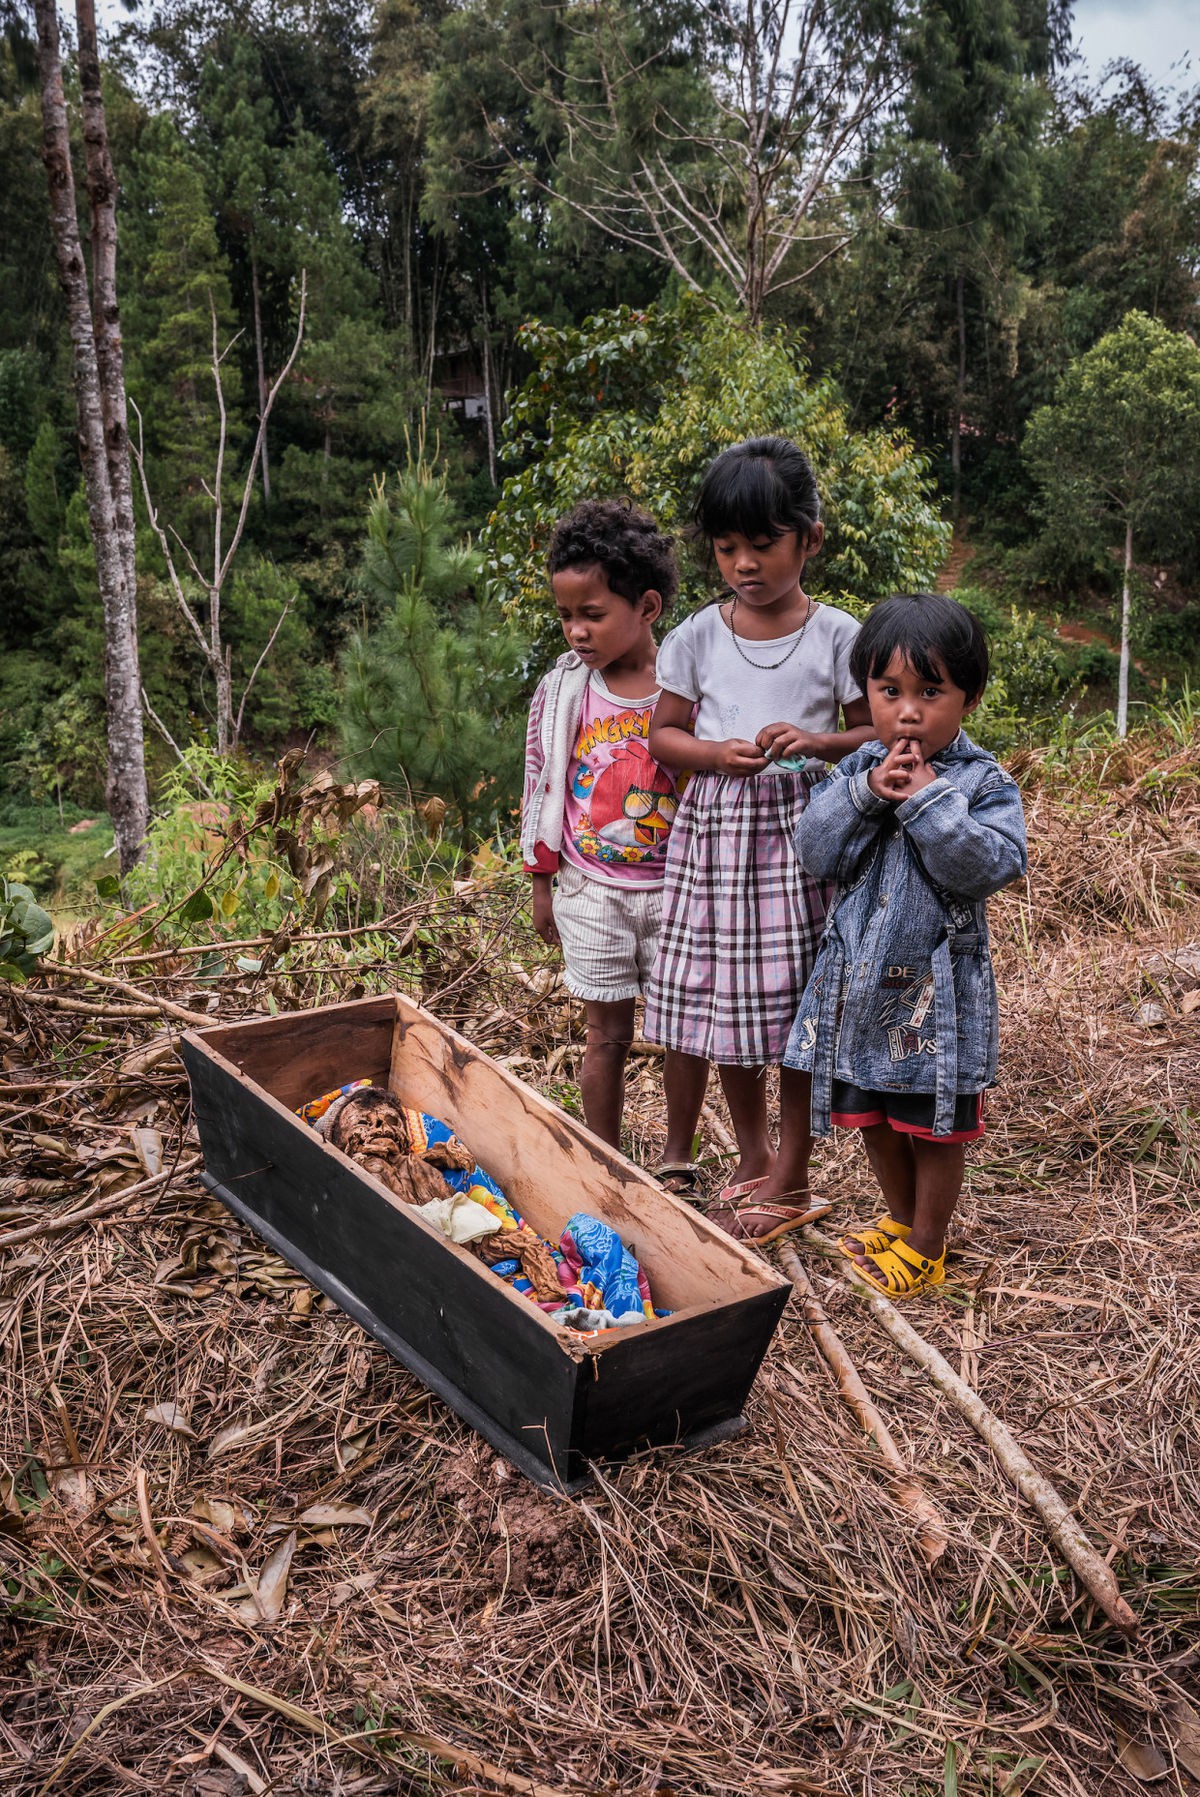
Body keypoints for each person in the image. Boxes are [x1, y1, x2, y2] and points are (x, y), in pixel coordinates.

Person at [644, 437, 873, 1241]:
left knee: (798, 1007)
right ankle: (751, 1153)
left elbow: (871, 733)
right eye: (727, 546)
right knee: (730, 1007)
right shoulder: (697, 637)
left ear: (810, 538)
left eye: (763, 543)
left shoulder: (839, 636)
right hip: (720, 845)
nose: (744, 563)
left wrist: (814, 745)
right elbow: (663, 736)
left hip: (806, 844)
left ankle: (791, 1169)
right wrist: (714, 755)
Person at [785, 591, 1028, 1298]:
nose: (909, 711)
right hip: (859, 988)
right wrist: (866, 793)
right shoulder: (859, 766)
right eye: (890, 691)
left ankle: (927, 1245)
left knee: (931, 1123)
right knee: (872, 1113)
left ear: (969, 697)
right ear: (866, 692)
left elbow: (989, 865)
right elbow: (816, 851)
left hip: (933, 1000)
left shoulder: (982, 783)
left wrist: (925, 800)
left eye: (932, 691)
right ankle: (898, 1222)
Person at [521, 498, 708, 1191]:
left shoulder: (687, 687)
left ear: (648, 606)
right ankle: (602, 1156)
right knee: (606, 1032)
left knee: (684, 1031)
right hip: (592, 888)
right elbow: (541, 783)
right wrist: (541, 881)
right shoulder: (564, 689)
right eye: (566, 615)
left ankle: (678, 1157)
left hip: (675, 890)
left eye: (592, 614)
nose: (576, 630)